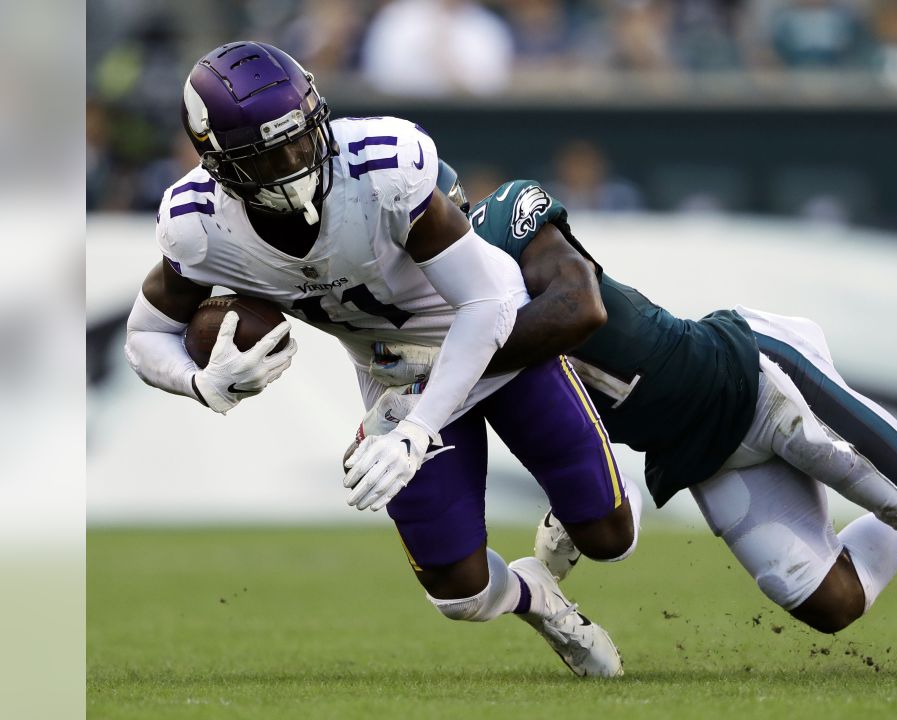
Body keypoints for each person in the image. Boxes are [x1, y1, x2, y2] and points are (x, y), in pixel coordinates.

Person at [369, 165, 897, 671]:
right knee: (831, 604)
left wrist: (468, 355)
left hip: (754, 378)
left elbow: (577, 308)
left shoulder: (508, 220)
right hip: (703, 453)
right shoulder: (428, 327)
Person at [121, 42, 639, 677]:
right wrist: (200, 383)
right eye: (267, 154)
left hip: (493, 346)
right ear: (221, 164)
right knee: (461, 594)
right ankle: (540, 600)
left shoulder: (382, 166)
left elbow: (489, 302)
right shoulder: (199, 227)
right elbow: (145, 336)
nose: (295, 161)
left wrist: (418, 427)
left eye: (301, 138)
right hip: (392, 373)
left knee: (613, 538)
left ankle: (572, 515)